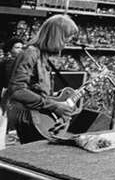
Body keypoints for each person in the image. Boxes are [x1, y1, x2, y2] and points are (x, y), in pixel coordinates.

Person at [6, 15, 78, 144]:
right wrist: (54, 106)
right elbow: (16, 90)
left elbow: (38, 91)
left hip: (36, 117)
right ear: (56, 36)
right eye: (66, 38)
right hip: (27, 118)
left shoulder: (42, 56)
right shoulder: (31, 53)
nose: (68, 42)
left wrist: (58, 106)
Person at [0, 37, 25, 149]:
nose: (20, 50)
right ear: (10, 49)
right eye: (17, 47)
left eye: (21, 48)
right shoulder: (9, 62)